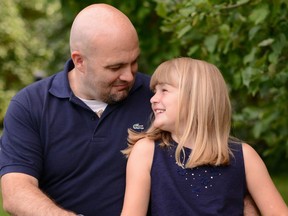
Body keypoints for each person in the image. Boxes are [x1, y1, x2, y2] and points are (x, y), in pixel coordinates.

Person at [0, 4, 153, 216]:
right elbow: (16, 191)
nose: (128, 75)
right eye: (115, 67)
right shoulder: (30, 105)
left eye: (133, 62)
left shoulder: (158, 98)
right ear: (79, 61)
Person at [121, 57, 288, 216]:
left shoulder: (244, 155)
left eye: (164, 90)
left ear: (195, 97)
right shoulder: (147, 151)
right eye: (154, 91)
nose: (153, 99)